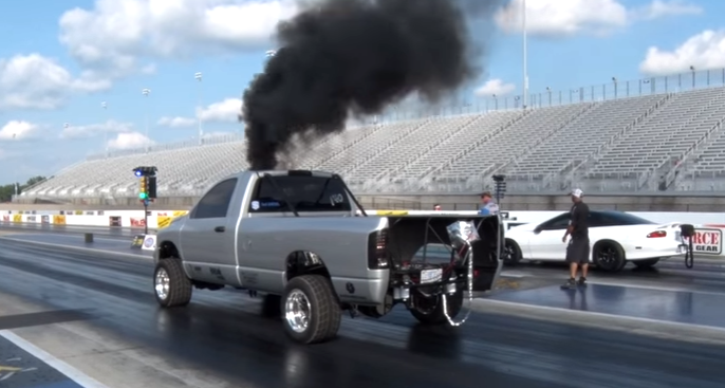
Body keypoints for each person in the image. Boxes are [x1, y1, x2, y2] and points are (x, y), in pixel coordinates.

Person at [561, 188, 590, 290]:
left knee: (574, 258)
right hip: (585, 235)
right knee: (584, 259)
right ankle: (583, 279)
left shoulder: (575, 208)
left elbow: (572, 224)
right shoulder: (585, 207)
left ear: (575, 196)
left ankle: (572, 280)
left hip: (577, 236)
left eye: (572, 196)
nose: (571, 198)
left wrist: (566, 235)